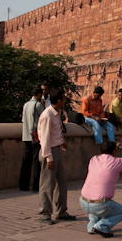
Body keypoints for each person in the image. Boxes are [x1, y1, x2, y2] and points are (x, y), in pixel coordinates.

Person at [79, 141, 122, 238]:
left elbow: (103, 155)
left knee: (94, 199)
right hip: (100, 205)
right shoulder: (117, 162)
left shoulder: (94, 159)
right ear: (114, 152)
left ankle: (91, 227)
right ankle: (101, 226)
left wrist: (113, 150)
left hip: (83, 201)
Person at [37, 89, 76, 224]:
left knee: (62, 181)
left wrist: (61, 142)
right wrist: (48, 157)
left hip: (56, 149)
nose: (65, 100)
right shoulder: (47, 115)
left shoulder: (57, 113)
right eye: (64, 98)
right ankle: (45, 213)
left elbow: (55, 131)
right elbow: (44, 137)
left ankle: (61, 211)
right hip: (49, 151)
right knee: (47, 183)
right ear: (59, 100)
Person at [19, 86, 44, 192]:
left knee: (26, 161)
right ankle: (36, 186)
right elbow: (43, 119)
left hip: (26, 135)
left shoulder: (26, 104)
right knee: (36, 161)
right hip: (35, 136)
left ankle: (23, 185)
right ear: (38, 95)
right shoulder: (37, 105)